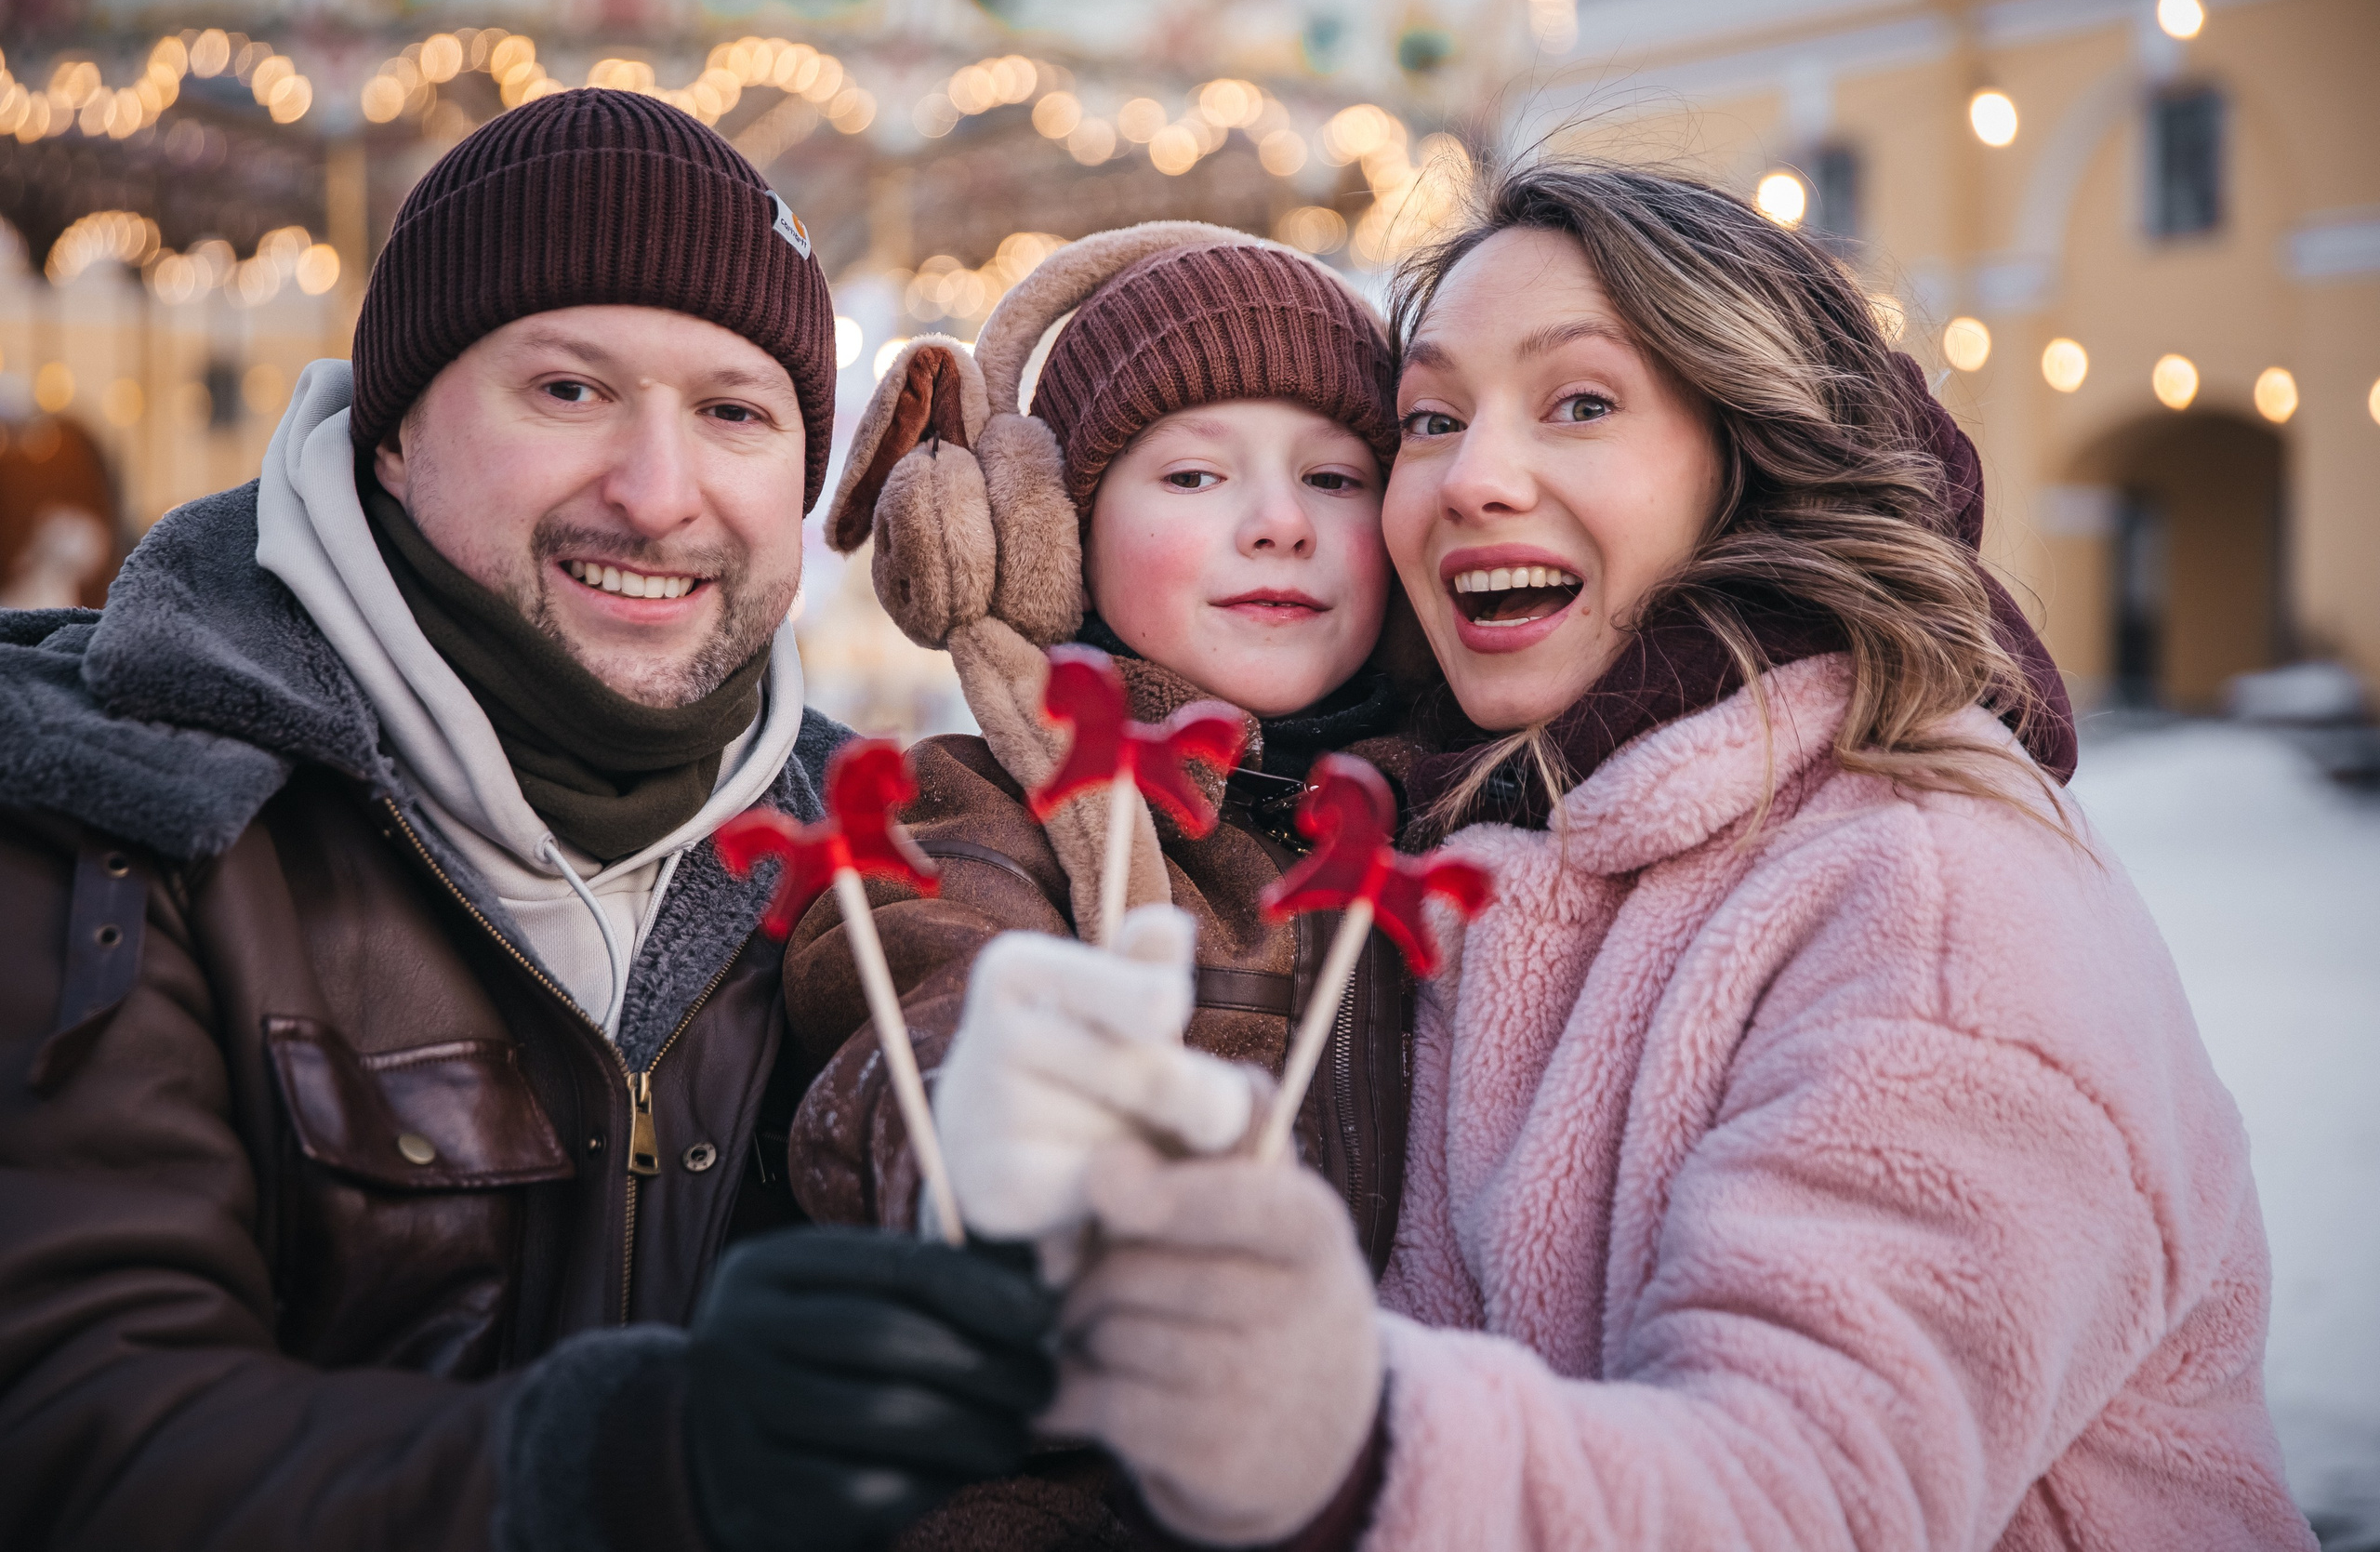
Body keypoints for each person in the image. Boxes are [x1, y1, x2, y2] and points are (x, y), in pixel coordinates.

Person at [941, 164, 2316, 1550]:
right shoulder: (1506, 841)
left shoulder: (1934, 902)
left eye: (1581, 403)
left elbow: (1801, 1502)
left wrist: (1338, 1433)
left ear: (1753, 454)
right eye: (1430, 420)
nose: (1474, 479)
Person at [0, 89, 1055, 1552]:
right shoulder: (119, 809)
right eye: (569, 390)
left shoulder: (862, 861)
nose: (655, 492)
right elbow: (73, 1424)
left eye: (736, 412)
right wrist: (621, 1462)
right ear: (390, 434)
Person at [785, 223, 1419, 1547]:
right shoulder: (973, 808)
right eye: (1193, 475)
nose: (1281, 523)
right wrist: (984, 1124)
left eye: (1337, 476)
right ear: (1049, 540)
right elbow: (917, 998)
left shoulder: (1449, 814)